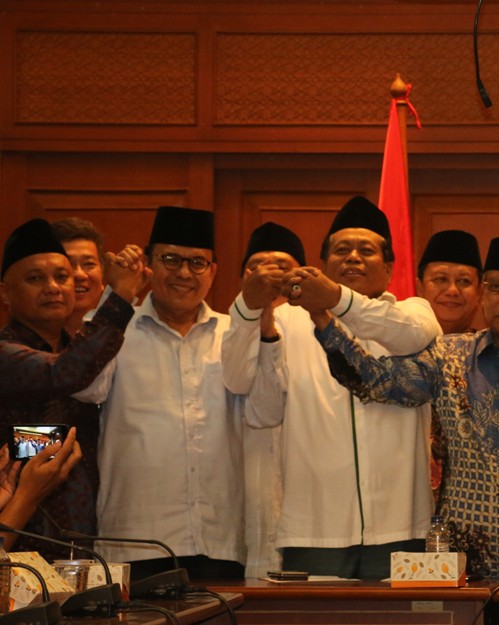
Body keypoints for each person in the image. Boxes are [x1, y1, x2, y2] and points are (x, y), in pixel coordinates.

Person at [289, 236, 499, 578]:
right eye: (497, 288)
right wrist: (322, 318)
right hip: (463, 563)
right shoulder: (447, 356)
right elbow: (375, 381)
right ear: (483, 295)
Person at [224, 197, 441, 580]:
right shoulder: (289, 322)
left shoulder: (414, 313)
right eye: (341, 250)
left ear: (389, 268)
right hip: (314, 526)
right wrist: (250, 310)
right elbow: (245, 389)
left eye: (366, 251)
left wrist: (336, 300)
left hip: (403, 526)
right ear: (322, 266)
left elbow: (411, 336)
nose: (353, 257)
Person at [95, 205, 246, 581]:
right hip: (134, 541)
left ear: (214, 270)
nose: (183, 273)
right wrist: (116, 296)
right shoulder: (113, 328)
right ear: (147, 264)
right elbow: (86, 387)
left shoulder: (234, 335)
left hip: (219, 540)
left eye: (197, 262)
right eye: (170, 259)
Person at [0, 217, 144, 558]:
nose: (53, 287)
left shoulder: (81, 352)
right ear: (5, 292)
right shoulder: (7, 353)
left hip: (83, 548)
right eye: (35, 278)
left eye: (61, 277)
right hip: (17, 546)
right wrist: (120, 294)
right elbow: (65, 374)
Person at [218, 222, 306, 577]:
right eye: (256, 266)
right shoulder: (224, 329)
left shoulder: (321, 332)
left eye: (281, 266)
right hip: (244, 486)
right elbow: (238, 382)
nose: (268, 274)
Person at [414, 229, 483, 504]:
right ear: (420, 287)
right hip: (401, 503)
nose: (452, 290)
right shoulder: (397, 353)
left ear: (480, 291)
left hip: (471, 507)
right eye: (440, 279)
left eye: (464, 281)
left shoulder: (490, 359)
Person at [51, 218, 107, 333]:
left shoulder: (127, 332)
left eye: (89, 264)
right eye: (68, 264)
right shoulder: (23, 343)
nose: (79, 274)